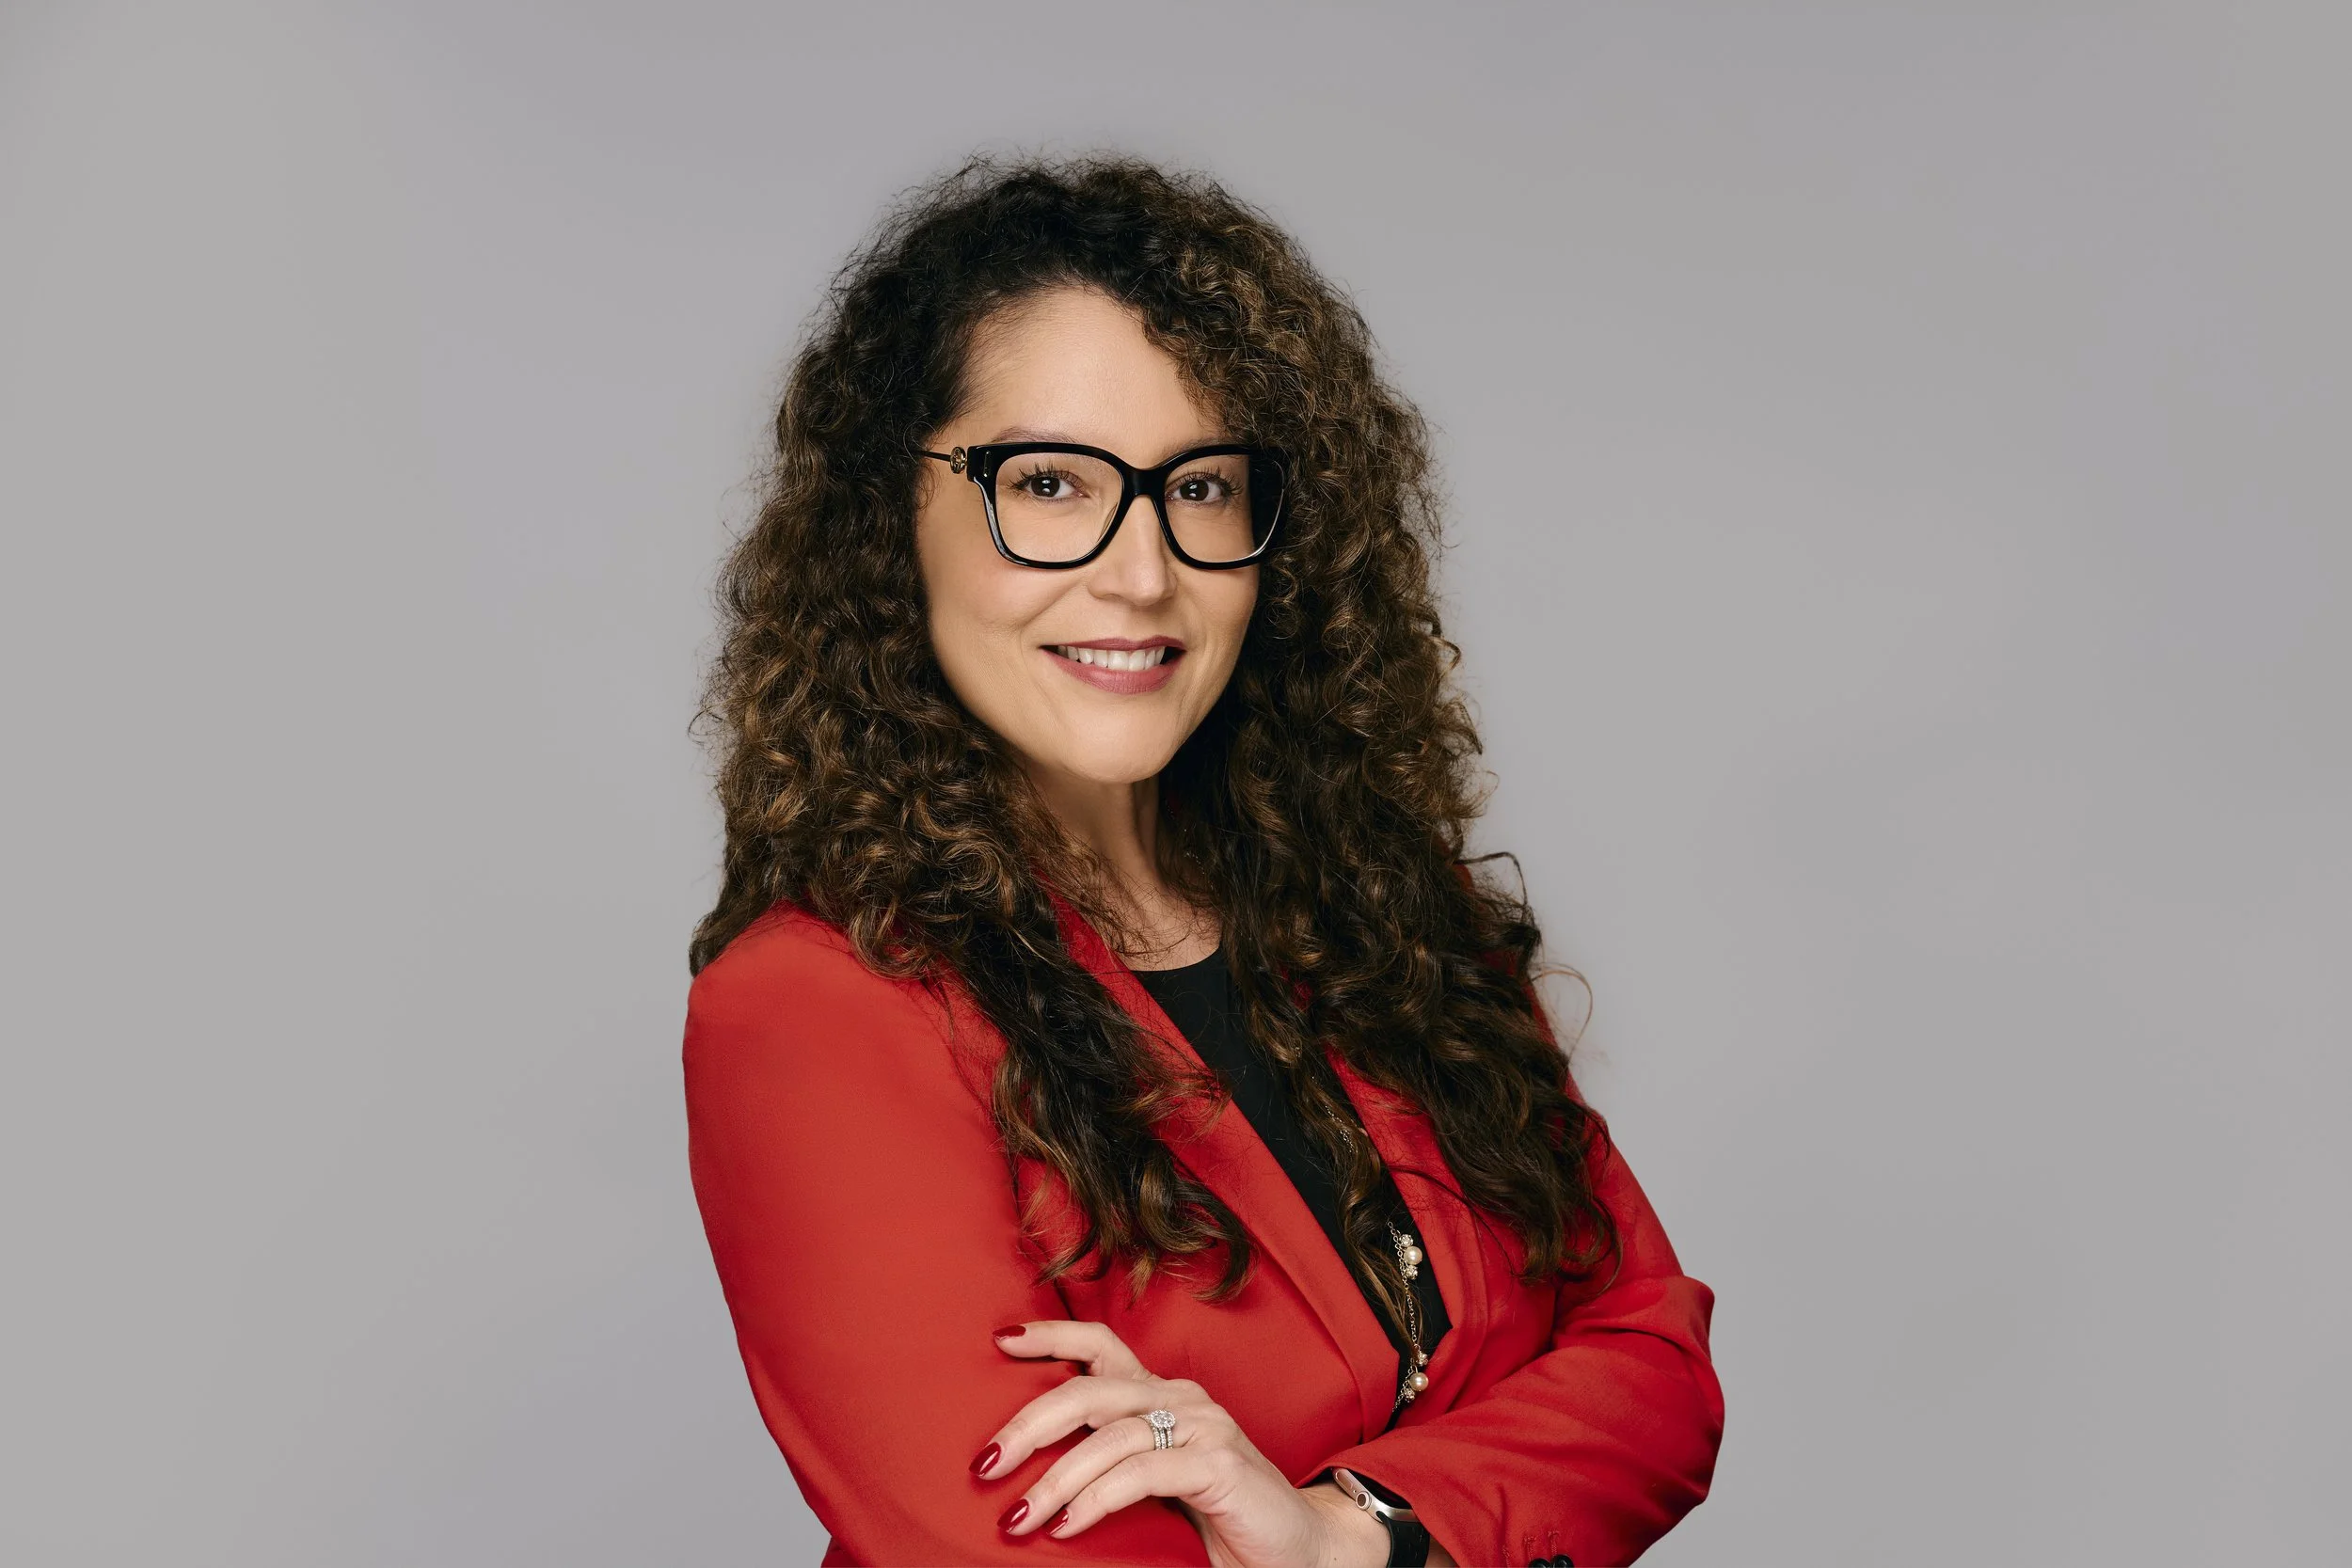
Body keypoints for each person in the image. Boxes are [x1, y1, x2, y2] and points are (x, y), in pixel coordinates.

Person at [682, 155, 1722, 1568]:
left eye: (1204, 486)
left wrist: (1345, 1535)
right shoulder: (819, 1009)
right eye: (1045, 482)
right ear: (892, 520)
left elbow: (1652, 1356)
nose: (1142, 571)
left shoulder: (1386, 915)